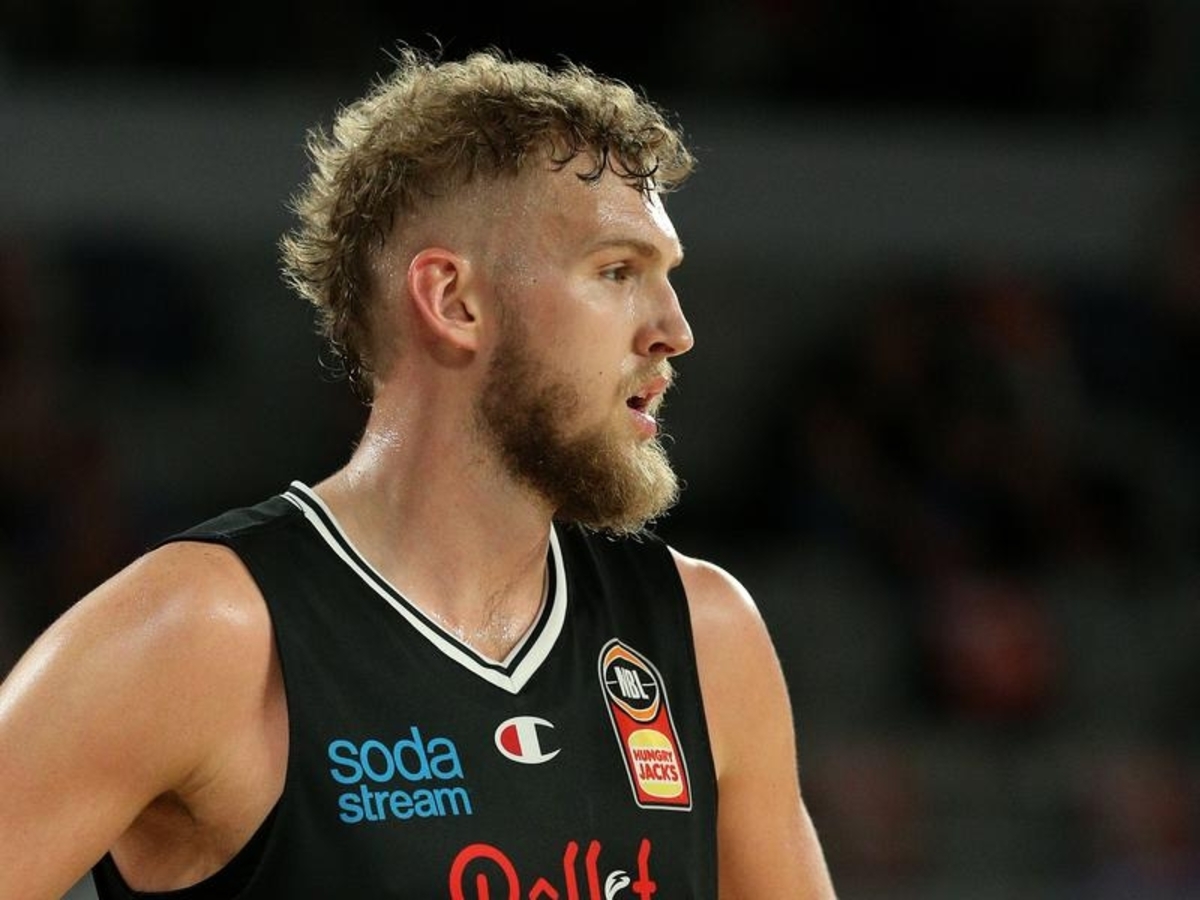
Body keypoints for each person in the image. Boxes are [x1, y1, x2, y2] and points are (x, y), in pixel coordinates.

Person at [0, 46, 838, 899]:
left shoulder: (704, 636)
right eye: (617, 271)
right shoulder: (202, 634)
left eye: (666, 277)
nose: (674, 330)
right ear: (452, 301)